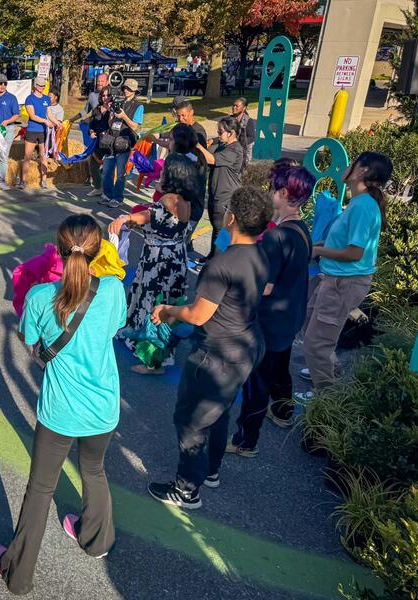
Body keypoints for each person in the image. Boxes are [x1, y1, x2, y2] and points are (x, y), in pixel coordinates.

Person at [0, 215, 126, 595]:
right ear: (99, 250)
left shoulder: (39, 298)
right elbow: (115, 326)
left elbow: (29, 340)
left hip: (60, 411)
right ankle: (96, 540)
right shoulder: (114, 290)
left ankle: (17, 571)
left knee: (40, 488)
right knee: (94, 471)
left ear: (59, 249)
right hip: (103, 406)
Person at [147, 186, 272, 509]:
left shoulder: (222, 265)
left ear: (231, 218)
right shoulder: (261, 254)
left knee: (191, 420)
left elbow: (199, 314)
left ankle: (186, 490)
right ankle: (211, 470)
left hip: (216, 354)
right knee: (219, 412)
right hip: (245, 346)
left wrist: (169, 311)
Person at [227, 163, 315, 454]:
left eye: (273, 190)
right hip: (289, 317)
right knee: (280, 369)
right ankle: (283, 411)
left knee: (256, 384)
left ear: (284, 192)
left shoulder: (277, 237)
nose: (270, 195)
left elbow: (263, 285)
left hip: (269, 321)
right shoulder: (301, 229)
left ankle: (246, 440)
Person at [299, 152, 392, 396]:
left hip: (343, 282)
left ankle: (325, 396)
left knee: (316, 343)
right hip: (334, 277)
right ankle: (325, 368)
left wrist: (318, 250)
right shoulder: (359, 201)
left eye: (352, 163)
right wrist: (320, 244)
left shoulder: (363, 206)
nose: (347, 166)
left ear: (362, 172)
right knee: (312, 324)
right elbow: (345, 242)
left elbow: (354, 253)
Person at [108, 155, 198, 374]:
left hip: (158, 261)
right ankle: (163, 348)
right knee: (168, 302)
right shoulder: (187, 200)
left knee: (151, 302)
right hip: (176, 257)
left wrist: (123, 219)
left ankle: (151, 360)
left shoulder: (169, 200)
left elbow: (145, 217)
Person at [198, 116, 244, 260]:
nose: (218, 134)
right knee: (216, 228)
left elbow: (211, 159)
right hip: (216, 193)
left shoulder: (235, 150)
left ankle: (216, 262)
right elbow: (215, 145)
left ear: (232, 133)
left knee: (222, 231)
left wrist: (198, 146)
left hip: (226, 196)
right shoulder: (224, 144)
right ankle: (212, 256)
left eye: (220, 132)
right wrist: (213, 141)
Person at [98, 79, 144, 207]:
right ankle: (107, 195)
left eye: (129, 89)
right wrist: (111, 115)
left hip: (125, 141)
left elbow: (135, 127)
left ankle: (117, 198)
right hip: (111, 140)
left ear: (134, 90)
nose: (126, 90)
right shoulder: (118, 102)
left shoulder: (138, 106)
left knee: (121, 174)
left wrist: (123, 116)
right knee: (107, 171)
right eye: (125, 88)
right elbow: (109, 122)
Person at [19, 77, 52, 189]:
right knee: (27, 156)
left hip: (43, 132)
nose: (42, 88)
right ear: (35, 86)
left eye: (43, 86)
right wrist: (45, 121)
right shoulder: (29, 99)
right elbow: (32, 116)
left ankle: (44, 180)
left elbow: (50, 114)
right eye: (40, 85)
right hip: (32, 130)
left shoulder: (47, 99)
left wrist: (57, 123)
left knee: (43, 156)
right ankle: (23, 181)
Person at [232, 97, 256, 163]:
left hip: (243, 152)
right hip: (230, 149)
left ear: (244, 108)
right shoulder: (230, 119)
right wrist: (213, 140)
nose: (234, 107)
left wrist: (239, 142)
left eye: (237, 106)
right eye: (233, 105)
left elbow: (252, 138)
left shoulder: (248, 121)